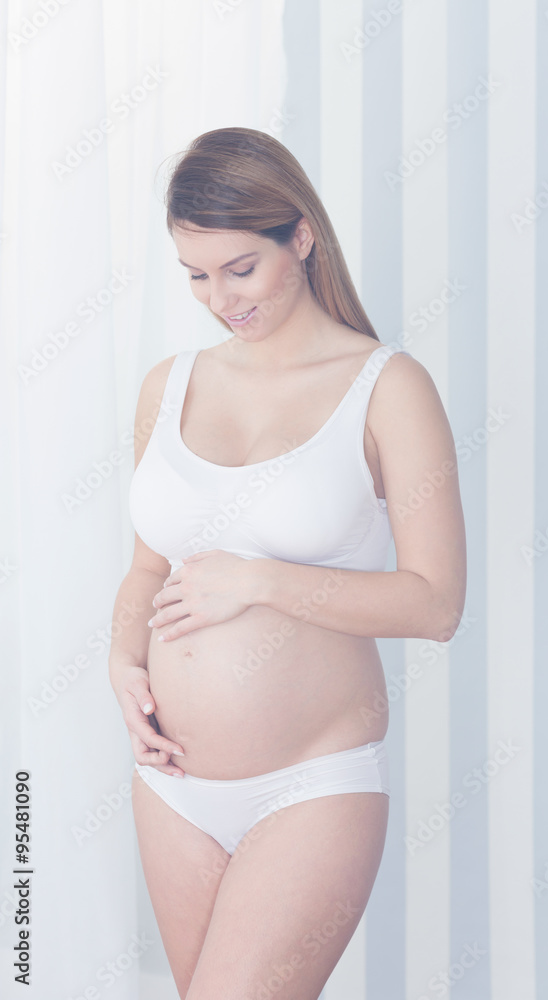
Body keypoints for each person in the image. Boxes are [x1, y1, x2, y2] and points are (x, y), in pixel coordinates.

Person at [108, 126, 466, 999]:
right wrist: (122, 661)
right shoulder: (168, 385)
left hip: (311, 784)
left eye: (240, 268)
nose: (219, 298)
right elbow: (148, 568)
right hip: (172, 784)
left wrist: (260, 580)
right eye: (196, 275)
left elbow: (435, 605)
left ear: (299, 236)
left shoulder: (386, 386)